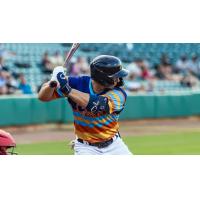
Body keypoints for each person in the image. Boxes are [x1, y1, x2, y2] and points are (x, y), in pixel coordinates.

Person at [38, 55, 132, 155]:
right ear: (102, 77)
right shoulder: (79, 83)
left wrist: (67, 89)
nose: (118, 80)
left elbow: (95, 105)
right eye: (115, 77)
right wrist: (52, 84)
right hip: (86, 148)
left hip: (114, 145)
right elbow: (43, 97)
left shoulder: (119, 94)